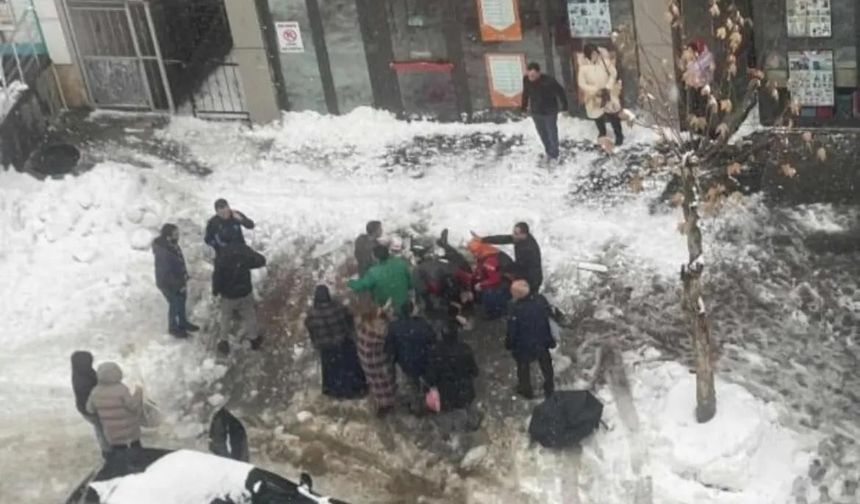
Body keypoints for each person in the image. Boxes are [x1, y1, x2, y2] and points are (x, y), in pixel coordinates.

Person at [304, 285, 368, 399]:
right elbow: (349, 320)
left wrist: (318, 343)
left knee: (332, 372)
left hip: (327, 349)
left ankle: (336, 392)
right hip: (343, 343)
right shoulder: (338, 308)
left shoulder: (311, 315)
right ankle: (357, 389)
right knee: (351, 368)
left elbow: (311, 331)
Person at [212, 234, 267, 355]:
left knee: (225, 317)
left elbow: (217, 276)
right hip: (244, 291)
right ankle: (254, 339)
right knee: (249, 315)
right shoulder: (243, 249)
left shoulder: (221, 254)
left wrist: (215, 291)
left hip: (228, 294)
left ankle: (224, 342)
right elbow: (260, 260)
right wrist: (246, 264)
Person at [506, 280, 555, 399]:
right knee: (546, 364)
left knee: (523, 367)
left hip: (524, 344)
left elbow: (512, 329)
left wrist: (509, 343)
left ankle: (526, 390)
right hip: (542, 339)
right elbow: (548, 315)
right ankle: (549, 386)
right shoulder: (540, 299)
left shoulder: (514, 308)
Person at [152, 224, 199, 338]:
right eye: (175, 234)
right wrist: (178, 285)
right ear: (168, 237)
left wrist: (184, 276)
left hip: (178, 280)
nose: (178, 236)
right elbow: (166, 272)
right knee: (174, 303)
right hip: (168, 283)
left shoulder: (172, 245)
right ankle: (173, 327)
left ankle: (182, 322)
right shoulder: (163, 251)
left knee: (181, 300)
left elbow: (179, 262)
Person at [85, 362, 144, 450]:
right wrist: (138, 392)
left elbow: (90, 409)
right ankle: (138, 457)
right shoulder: (121, 389)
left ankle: (120, 458)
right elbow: (133, 405)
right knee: (135, 447)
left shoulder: (95, 391)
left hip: (111, 431)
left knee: (119, 450)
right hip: (129, 428)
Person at [385, 301, 436, 400]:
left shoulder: (394, 326)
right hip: (423, 360)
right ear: (412, 311)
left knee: (411, 385)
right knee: (425, 383)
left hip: (405, 362)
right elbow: (432, 339)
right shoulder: (422, 323)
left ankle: (415, 400)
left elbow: (389, 348)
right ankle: (426, 396)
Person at [475, 222, 543, 293]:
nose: (513, 235)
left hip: (532, 280)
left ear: (524, 234)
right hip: (524, 271)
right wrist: (483, 239)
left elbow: (517, 266)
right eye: (513, 232)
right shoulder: (519, 238)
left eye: (516, 233)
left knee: (524, 295)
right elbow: (504, 239)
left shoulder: (528, 249)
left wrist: (498, 268)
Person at [578, 43, 624, 147]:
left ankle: (619, 136)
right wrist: (594, 89)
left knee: (613, 115)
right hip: (594, 95)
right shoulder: (583, 68)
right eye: (592, 54)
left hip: (607, 93)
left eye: (596, 53)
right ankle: (602, 133)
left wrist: (608, 86)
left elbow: (613, 73)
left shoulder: (604, 62)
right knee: (597, 116)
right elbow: (581, 83)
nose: (595, 56)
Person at [424, 325, 479, 412]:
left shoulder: (436, 352)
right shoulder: (465, 349)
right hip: (465, 392)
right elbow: (475, 371)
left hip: (447, 396)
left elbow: (431, 377)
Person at [522, 62, 569, 160]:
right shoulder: (526, 80)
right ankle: (548, 151)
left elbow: (561, 92)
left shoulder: (549, 81)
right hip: (536, 111)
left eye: (533, 75)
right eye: (529, 75)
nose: (531, 78)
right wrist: (524, 108)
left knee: (552, 133)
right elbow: (525, 93)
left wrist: (565, 107)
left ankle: (554, 154)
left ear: (538, 73)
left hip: (550, 111)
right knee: (542, 133)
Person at [356, 304, 396, 417]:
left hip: (366, 360)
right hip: (376, 361)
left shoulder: (364, 327)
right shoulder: (379, 332)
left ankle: (381, 403)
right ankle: (386, 405)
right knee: (384, 381)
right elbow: (387, 337)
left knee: (375, 382)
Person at [348, 245, 413, 313]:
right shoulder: (401, 263)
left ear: (375, 258)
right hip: (405, 306)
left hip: (388, 309)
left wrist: (349, 282)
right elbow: (410, 283)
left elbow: (361, 286)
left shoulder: (374, 272)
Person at [71, 351, 110, 457]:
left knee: (100, 429)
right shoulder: (83, 380)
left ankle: (107, 450)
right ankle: (108, 452)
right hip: (91, 409)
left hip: (87, 408)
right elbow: (95, 394)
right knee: (102, 430)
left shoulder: (81, 372)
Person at [467, 238, 514, 319]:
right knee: (477, 282)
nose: (472, 254)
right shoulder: (486, 254)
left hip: (506, 284)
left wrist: (481, 284)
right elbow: (479, 270)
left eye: (473, 252)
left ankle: (495, 313)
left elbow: (495, 279)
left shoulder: (489, 261)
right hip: (500, 279)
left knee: (488, 292)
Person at [683, 39, 715, 119]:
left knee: (702, 107)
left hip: (702, 86)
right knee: (691, 106)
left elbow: (707, 72)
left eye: (690, 51)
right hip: (692, 86)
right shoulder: (690, 60)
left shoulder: (706, 58)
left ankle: (701, 121)